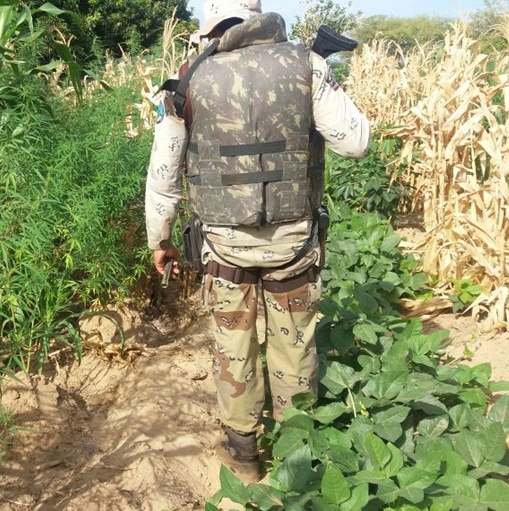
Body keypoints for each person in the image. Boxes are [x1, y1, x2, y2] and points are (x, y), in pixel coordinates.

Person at [144, 0, 370, 481]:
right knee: (294, 346)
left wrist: (159, 239)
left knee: (234, 348)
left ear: (213, 26)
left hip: (224, 248)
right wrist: (320, 78)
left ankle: (244, 457)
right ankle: (298, 457)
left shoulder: (188, 78)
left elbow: (163, 176)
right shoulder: (305, 63)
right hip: (293, 244)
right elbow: (355, 142)